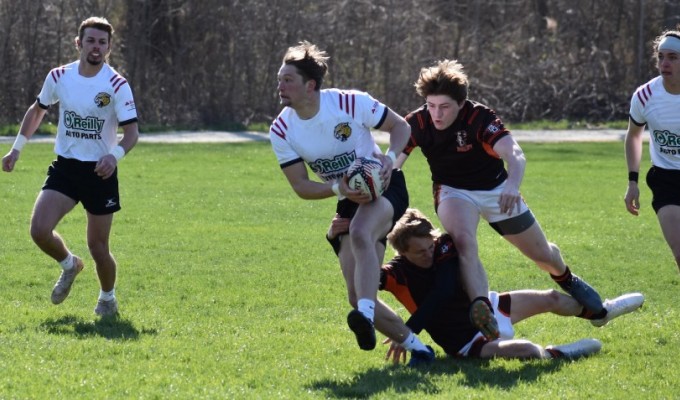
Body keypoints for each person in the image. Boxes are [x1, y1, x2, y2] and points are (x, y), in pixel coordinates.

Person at [395, 59, 630, 335]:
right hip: (453, 191)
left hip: (498, 191)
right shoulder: (418, 122)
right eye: (431, 105)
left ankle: (566, 278)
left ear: (460, 104)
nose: (437, 114)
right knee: (463, 241)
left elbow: (514, 153)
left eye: (444, 107)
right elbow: (394, 161)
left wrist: (512, 185)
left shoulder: (479, 117)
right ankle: (482, 310)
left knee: (543, 254)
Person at [268, 41, 433, 363]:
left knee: (360, 233)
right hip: (347, 197)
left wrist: (389, 161)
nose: (280, 86)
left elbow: (401, 127)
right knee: (356, 295)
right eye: (279, 79)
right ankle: (419, 349)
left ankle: (367, 315)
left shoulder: (349, 102)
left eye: (288, 80)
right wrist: (338, 189)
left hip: (385, 186)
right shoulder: (281, 129)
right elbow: (301, 186)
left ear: (310, 85)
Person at [371, 208, 644, 362]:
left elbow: (444, 288)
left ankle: (600, 313)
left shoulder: (443, 246)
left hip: (486, 308)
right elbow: (363, 286)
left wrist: (409, 329)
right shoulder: (397, 274)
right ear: (401, 252)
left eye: (429, 246)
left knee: (552, 298)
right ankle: (560, 354)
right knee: (526, 351)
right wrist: (401, 334)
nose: (428, 254)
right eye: (420, 252)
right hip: (465, 341)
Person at [2, 17, 139, 317]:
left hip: (99, 174)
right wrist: (16, 149)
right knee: (39, 230)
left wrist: (113, 156)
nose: (96, 47)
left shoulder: (116, 84)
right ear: (78, 43)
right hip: (66, 168)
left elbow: (131, 134)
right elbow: (37, 110)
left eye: (102, 42)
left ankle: (107, 299)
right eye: (90, 40)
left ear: (109, 47)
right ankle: (69, 265)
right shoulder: (59, 76)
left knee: (99, 248)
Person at [625, 27, 680, 272]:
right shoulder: (645, 95)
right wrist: (633, 181)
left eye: (673, 57)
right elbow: (634, 136)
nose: (664, 63)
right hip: (666, 179)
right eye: (661, 57)